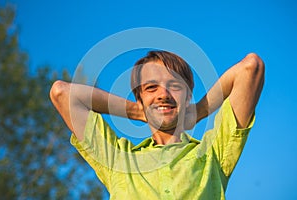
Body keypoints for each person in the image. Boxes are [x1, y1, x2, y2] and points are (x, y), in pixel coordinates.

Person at [50, 50, 264, 199]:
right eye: (151, 88)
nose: (163, 94)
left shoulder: (213, 154)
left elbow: (250, 68)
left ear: (188, 96)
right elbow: (62, 93)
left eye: (174, 86)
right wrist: (137, 111)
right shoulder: (118, 160)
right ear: (139, 98)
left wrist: (196, 113)